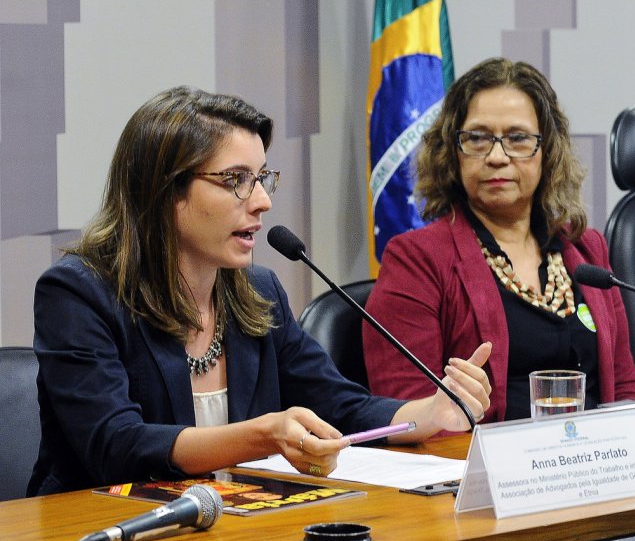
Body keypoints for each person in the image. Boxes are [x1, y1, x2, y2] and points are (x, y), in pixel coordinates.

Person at [29, 87, 491, 496]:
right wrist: (264, 435)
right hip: (100, 534)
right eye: (236, 181)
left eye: (262, 178)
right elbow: (115, 444)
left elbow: (338, 405)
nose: (262, 201)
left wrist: (430, 412)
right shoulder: (78, 294)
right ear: (165, 190)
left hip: (235, 531)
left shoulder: (257, 291)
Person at [364, 57, 635, 420]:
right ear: (452, 152)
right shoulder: (416, 260)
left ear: (548, 150)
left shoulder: (587, 250)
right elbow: (407, 414)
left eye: (517, 138)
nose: (497, 157)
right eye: (477, 138)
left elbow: (625, 390)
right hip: (477, 455)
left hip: (593, 453)